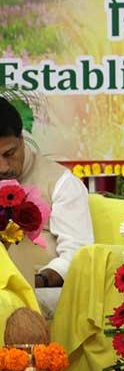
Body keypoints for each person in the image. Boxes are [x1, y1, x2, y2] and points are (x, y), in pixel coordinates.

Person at [0, 97, 93, 292]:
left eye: (9, 154)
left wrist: (38, 281)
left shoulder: (61, 183)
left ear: (22, 140)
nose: (3, 167)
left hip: (40, 295)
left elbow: (77, 255)